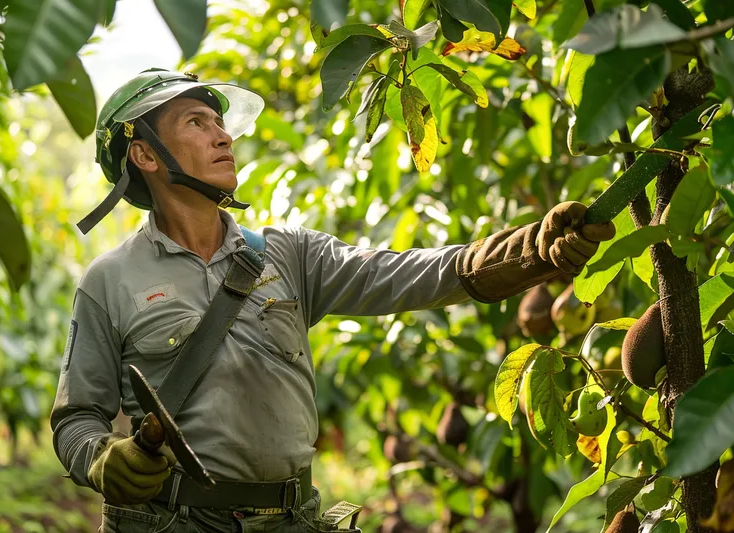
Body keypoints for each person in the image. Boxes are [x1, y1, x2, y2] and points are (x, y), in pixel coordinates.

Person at [49, 68, 615, 532]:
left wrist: (529, 253)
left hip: (292, 520)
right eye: (197, 123)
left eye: (222, 123)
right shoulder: (110, 280)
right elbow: (76, 419)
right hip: (172, 523)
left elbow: (406, 274)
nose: (223, 136)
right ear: (145, 157)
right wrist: (101, 460)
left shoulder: (286, 254)